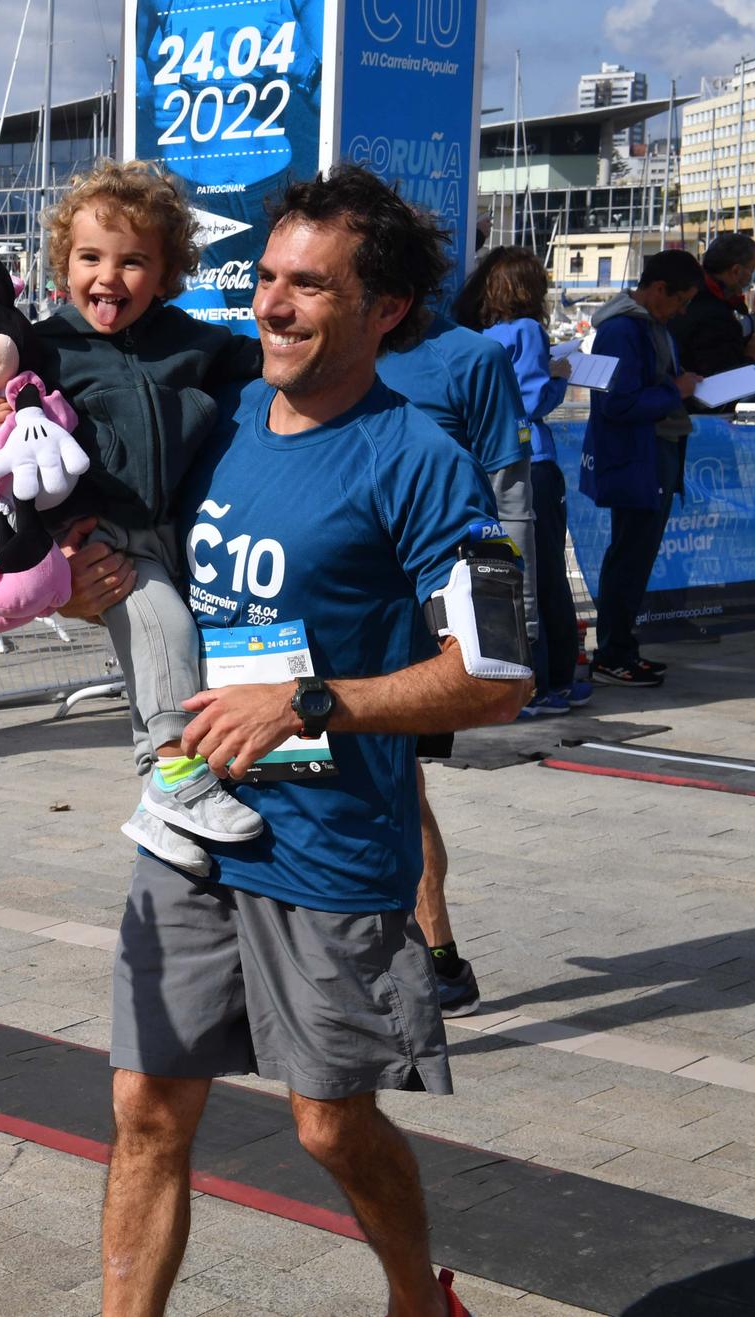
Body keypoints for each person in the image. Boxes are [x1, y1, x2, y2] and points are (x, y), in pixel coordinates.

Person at [100, 165, 530, 1317]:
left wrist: (310, 702)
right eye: (267, 280)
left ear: (383, 311)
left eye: (307, 288)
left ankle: (413, 1296)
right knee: (145, 1108)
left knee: (327, 1122)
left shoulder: (416, 460)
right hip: (191, 822)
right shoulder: (224, 416)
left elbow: (495, 676)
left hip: (329, 844)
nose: (272, 308)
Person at [0, 161, 266, 874]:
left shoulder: (194, 341)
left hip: (172, 531)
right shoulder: (45, 346)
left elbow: (272, 363)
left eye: (134, 262)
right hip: (101, 532)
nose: (109, 277)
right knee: (163, 628)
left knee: (165, 657)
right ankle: (179, 779)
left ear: (168, 271)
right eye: (91, 257)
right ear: (65, 262)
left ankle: (166, 803)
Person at [375, 249, 534, 1020]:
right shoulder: (318, 349)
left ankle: (436, 958)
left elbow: (510, 490)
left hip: (417, 619)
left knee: (401, 784)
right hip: (318, 610)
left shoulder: (469, 358)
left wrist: (509, 619)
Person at [456, 248, 580, 718]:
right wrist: (560, 377)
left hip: (491, 462)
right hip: (532, 462)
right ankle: (552, 681)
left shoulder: (481, 336)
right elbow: (531, 403)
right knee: (543, 576)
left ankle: (535, 676)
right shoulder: (527, 331)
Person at [582, 250, 704, 687]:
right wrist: (676, 389)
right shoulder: (622, 330)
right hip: (639, 457)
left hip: (655, 453)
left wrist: (677, 385)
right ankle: (613, 652)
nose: (683, 310)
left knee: (635, 556)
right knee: (629, 557)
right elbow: (617, 402)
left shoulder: (651, 327)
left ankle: (621, 648)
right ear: (657, 290)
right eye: (681, 300)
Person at [670, 233, 755, 378]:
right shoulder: (713, 314)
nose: (752, 276)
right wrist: (752, 360)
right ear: (736, 271)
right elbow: (722, 378)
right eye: (752, 269)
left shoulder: (697, 295)